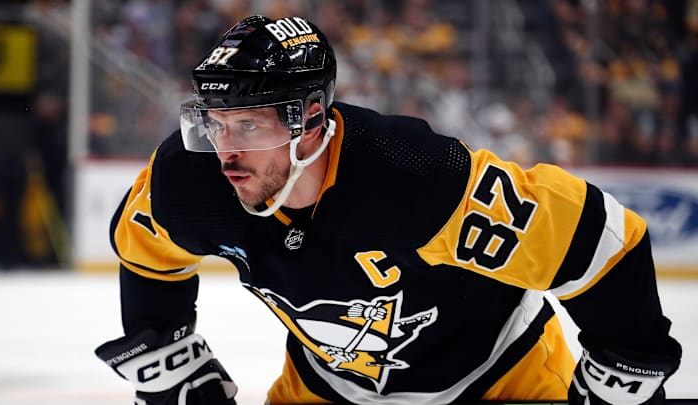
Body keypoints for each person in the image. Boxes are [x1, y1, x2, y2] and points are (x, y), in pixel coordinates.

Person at [95, 15, 682, 405]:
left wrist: (627, 369)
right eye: (216, 125)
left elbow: (604, 241)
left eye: (248, 125)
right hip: (328, 387)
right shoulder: (192, 178)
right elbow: (147, 254)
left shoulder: (417, 176)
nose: (225, 152)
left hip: (497, 382)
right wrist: (166, 356)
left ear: (312, 124)